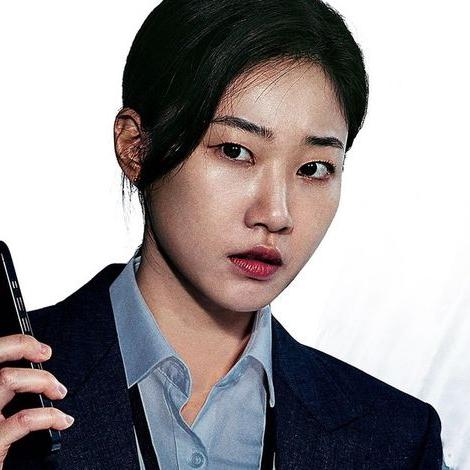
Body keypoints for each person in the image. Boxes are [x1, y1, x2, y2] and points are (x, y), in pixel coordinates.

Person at [0, 0, 443, 468]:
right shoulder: (12, 385)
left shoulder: (396, 439)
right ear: (135, 148)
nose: (276, 213)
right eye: (235, 151)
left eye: (314, 168)